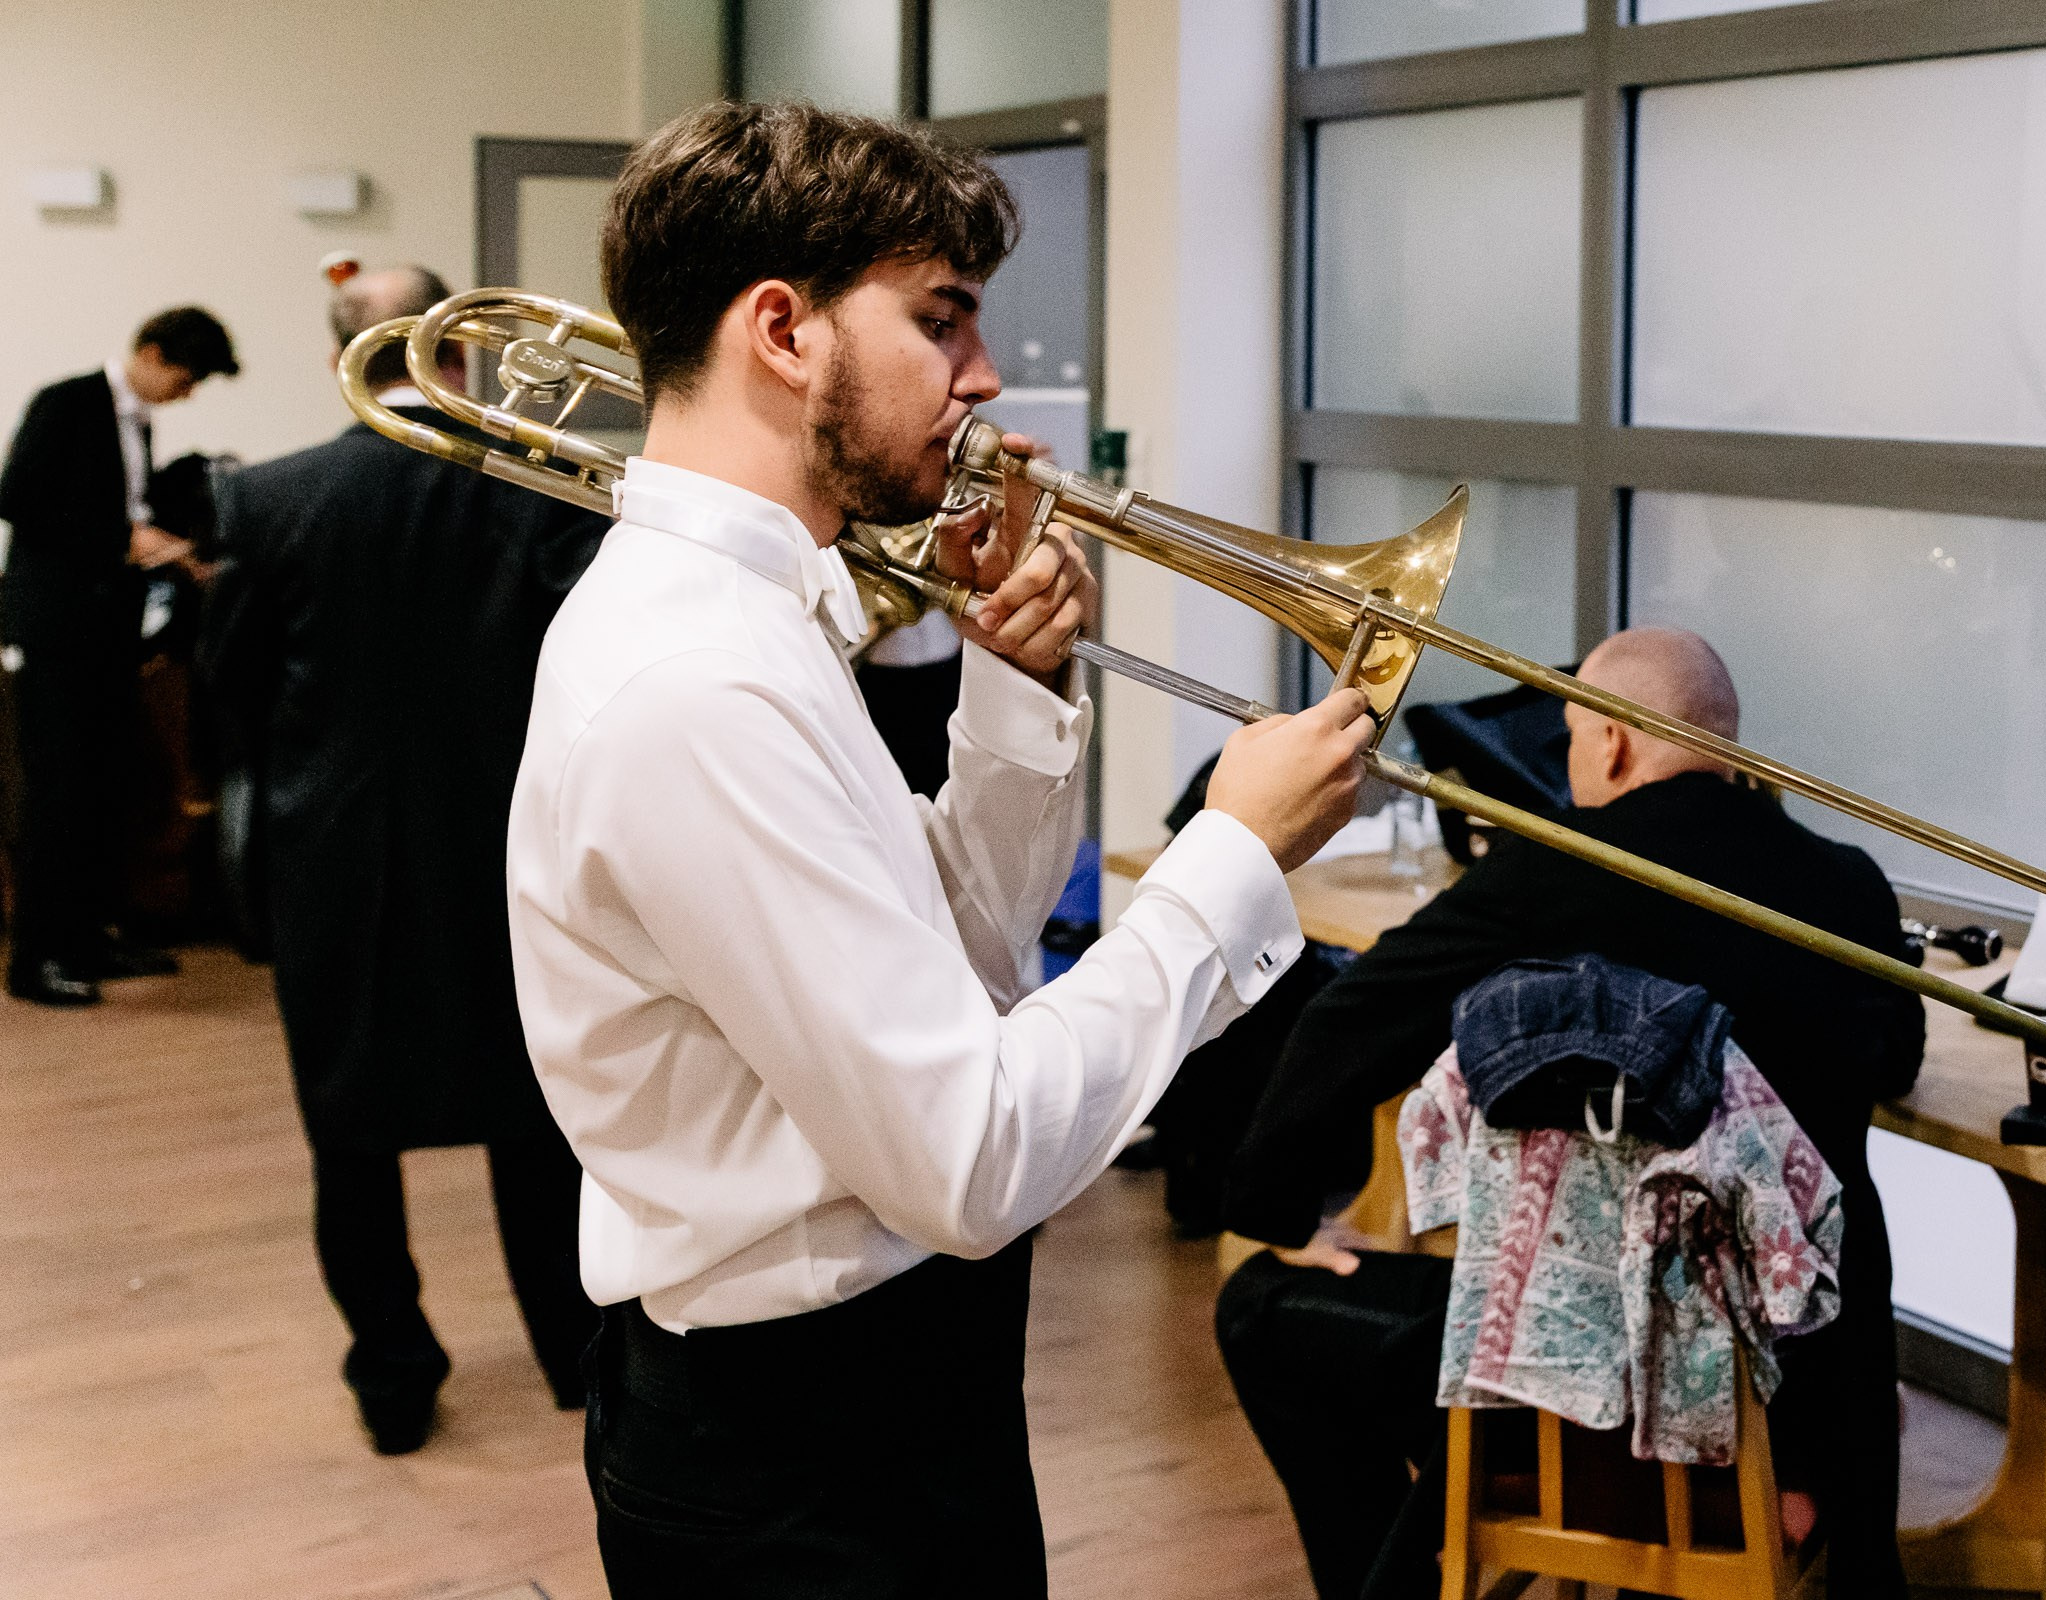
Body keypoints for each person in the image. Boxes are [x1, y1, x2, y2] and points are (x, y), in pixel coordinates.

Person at [505, 101, 1373, 1598]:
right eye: (943, 320)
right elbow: (965, 1154)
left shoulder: (756, 624)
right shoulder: (700, 679)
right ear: (782, 330)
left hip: (884, 1393)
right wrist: (1225, 860)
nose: (983, 382)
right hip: (796, 1446)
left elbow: (950, 969)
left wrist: (1015, 692)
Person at [1214, 627, 1928, 1600]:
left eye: (1572, 740)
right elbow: (1899, 1053)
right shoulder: (1848, 882)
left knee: (1260, 1311)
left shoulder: (1554, 870)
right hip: (1815, 1411)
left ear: (1616, 745)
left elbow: (1350, 1013)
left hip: (1606, 1412)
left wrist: (1273, 1212)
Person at [198, 266, 610, 1454]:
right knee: (538, 1121)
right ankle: (572, 1358)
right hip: (506, 851)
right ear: (460, 350)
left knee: (351, 1133)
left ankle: (393, 1375)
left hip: (337, 862)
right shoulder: (543, 494)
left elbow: (232, 689)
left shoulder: (272, 500)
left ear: (343, 345)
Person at [0, 307, 238, 1005]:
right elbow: (17, 497)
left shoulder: (135, 422)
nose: (187, 392)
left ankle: (89, 938)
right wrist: (125, 540)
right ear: (153, 352)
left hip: (108, 627)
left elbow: (114, 508)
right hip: (56, 629)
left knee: (105, 787)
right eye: (186, 376)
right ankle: (38, 958)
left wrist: (167, 548)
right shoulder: (68, 400)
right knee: (59, 793)